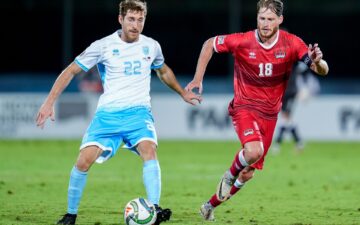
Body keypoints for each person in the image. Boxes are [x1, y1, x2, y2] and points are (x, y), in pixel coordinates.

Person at [36, 1, 201, 224]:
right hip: (108, 115)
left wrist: (182, 92)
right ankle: (70, 214)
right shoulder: (102, 46)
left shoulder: (151, 46)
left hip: (139, 113)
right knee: (83, 161)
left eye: (140, 20)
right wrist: (49, 102)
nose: (135, 25)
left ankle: (154, 209)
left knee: (149, 151)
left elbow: (163, 71)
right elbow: (71, 71)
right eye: (131, 19)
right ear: (120, 19)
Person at [185, 0, 329, 221]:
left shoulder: (292, 43)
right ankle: (229, 175)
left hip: (270, 115)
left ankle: (209, 206)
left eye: (270, 19)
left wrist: (318, 62)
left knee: (249, 172)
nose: (265, 23)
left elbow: (322, 70)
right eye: (262, 18)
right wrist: (197, 78)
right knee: (252, 152)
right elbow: (209, 44)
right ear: (257, 19)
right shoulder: (243, 41)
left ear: (280, 20)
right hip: (245, 107)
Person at [272, 61, 320, 153]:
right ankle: (298, 142)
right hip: (282, 93)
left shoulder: (295, 63)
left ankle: (278, 144)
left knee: (286, 118)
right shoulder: (280, 63)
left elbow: (305, 67)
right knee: (287, 119)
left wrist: (303, 90)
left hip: (291, 93)